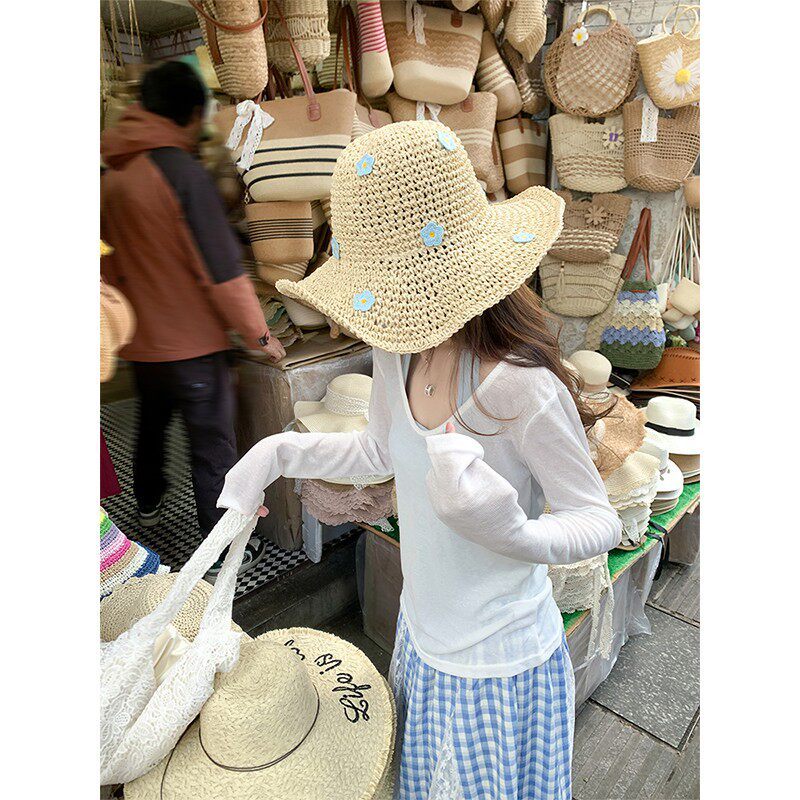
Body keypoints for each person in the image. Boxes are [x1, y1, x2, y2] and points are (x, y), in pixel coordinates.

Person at [217, 121, 622, 799]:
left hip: (500, 665)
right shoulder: (398, 340)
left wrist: (516, 535)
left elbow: (597, 520)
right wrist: (281, 451)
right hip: (423, 639)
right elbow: (379, 448)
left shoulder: (522, 386)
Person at [101, 61, 285, 579]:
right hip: (192, 345)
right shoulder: (182, 173)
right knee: (213, 448)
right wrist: (259, 334)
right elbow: (222, 272)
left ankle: (148, 503)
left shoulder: (113, 174)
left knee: (152, 426)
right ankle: (224, 546)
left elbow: (109, 263)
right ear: (189, 115)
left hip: (140, 342)